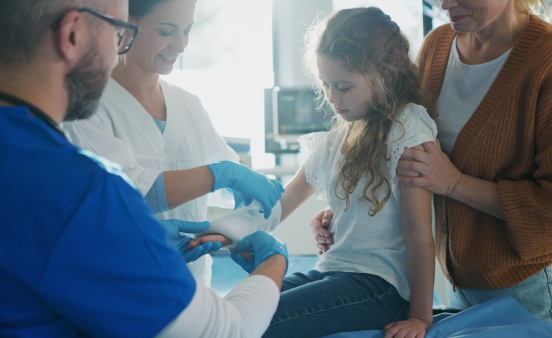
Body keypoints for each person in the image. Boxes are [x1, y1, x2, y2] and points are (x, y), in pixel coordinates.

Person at [0, 0, 288, 336]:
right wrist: (274, 262)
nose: (118, 54)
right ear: (72, 34)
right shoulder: (77, 191)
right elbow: (227, 331)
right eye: (119, 35)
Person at [192, 7, 438, 338]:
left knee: (254, 324)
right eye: (325, 84)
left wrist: (420, 317)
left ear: (385, 74)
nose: (332, 97)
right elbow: (281, 201)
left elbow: (419, 230)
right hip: (331, 271)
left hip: (382, 287)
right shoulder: (335, 141)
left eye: (344, 86)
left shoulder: (407, 126)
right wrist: (225, 231)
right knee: (233, 310)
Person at [313, 0, 552, 323]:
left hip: (524, 285)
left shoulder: (546, 61)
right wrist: (353, 205)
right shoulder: (438, 45)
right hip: (455, 279)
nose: (445, 3)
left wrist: (455, 183)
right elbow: (402, 147)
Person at [61, 0, 283, 286]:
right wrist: (222, 174)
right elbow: (128, 192)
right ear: (125, 24)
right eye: (166, 31)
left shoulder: (188, 105)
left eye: (187, 30)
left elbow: (238, 193)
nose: (180, 45)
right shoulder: (86, 104)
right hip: (122, 284)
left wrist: (237, 226)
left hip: (193, 284)